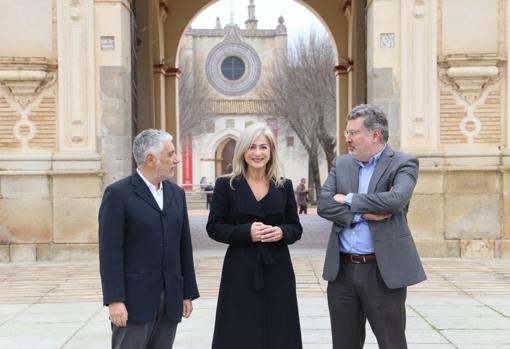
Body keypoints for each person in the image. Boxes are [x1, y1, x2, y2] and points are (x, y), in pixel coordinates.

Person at [317, 104, 426, 349]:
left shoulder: (403, 162)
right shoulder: (342, 164)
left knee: (391, 343)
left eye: (353, 133)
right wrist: (362, 215)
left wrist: (349, 199)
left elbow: (397, 199)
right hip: (342, 271)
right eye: (347, 132)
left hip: (382, 271)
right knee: (344, 344)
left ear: (374, 135)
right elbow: (324, 204)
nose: (347, 139)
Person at [99, 129, 199, 349]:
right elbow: (110, 252)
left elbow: (183, 247)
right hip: (134, 301)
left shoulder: (176, 194)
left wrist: (187, 293)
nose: (177, 159)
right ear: (150, 159)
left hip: (170, 298)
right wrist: (115, 299)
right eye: (171, 154)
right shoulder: (118, 194)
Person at [206, 123, 303, 349]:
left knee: (280, 327)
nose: (257, 153)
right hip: (240, 268)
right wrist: (245, 232)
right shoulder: (226, 185)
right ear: (242, 150)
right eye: (251, 147)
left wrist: (281, 232)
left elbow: (295, 228)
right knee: (239, 328)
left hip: (277, 268)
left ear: (271, 152)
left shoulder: (284, 185)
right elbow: (214, 227)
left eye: (263, 147)